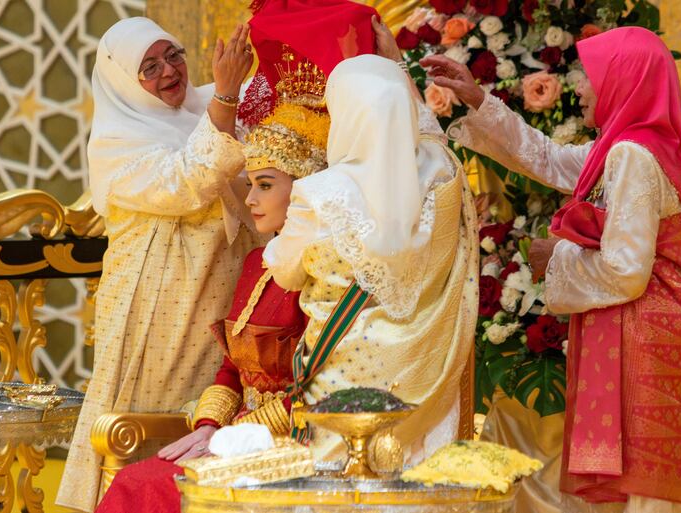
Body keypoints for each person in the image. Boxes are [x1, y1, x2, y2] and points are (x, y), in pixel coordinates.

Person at [424, 26, 681, 512]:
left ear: (626, 80)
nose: (581, 88)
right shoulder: (636, 147)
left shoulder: (630, 155)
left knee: (643, 496)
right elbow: (550, 158)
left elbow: (626, 270)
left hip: (646, 333)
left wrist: (553, 256)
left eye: (592, 77)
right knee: (647, 492)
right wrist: (480, 99)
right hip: (663, 329)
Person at [58, 17, 261, 512]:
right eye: (148, 68)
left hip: (224, 290)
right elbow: (186, 182)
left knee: (214, 413)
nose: (168, 72)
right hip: (154, 310)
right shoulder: (115, 140)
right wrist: (229, 97)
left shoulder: (207, 103)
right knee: (144, 421)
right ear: (126, 82)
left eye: (173, 55)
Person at [94, 102, 330, 513]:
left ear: (305, 187)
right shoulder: (259, 262)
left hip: (293, 445)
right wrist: (207, 428)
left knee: (158, 488)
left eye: (266, 185)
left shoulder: (323, 268)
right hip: (235, 436)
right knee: (139, 481)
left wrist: (232, 437)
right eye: (250, 183)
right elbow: (231, 369)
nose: (251, 198)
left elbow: (321, 385)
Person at [264, 53, 480, 464]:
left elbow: (285, 273)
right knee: (419, 483)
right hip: (427, 374)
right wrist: (400, 69)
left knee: (345, 486)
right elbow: (429, 133)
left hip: (346, 382)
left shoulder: (320, 193)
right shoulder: (445, 172)